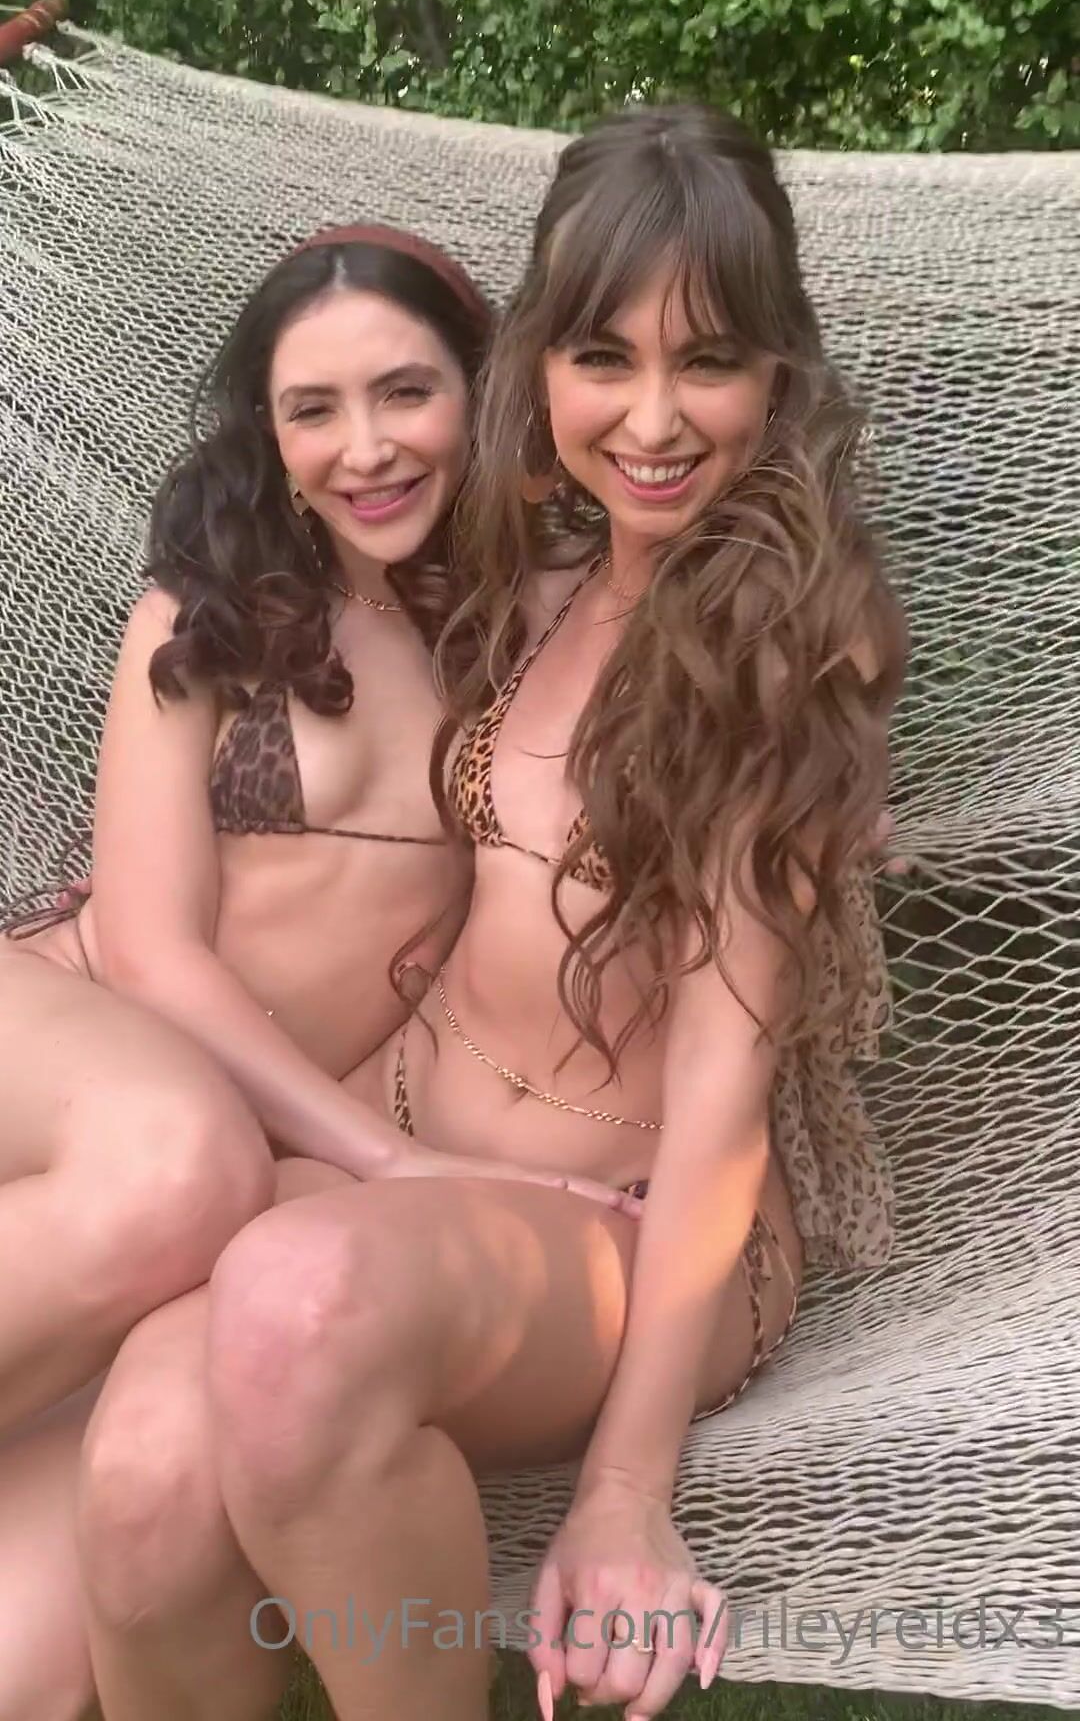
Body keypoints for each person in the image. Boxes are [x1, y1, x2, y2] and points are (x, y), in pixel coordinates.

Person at [75, 107, 907, 1721]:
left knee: (291, 1312)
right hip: (399, 1143)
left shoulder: (783, 642)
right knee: (147, 1479)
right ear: (537, 366)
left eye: (707, 363)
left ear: (776, 377)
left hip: (623, 1224)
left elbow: (723, 1084)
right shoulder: (536, 588)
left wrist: (625, 1492)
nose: (651, 419)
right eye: (603, 358)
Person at [0, 222, 639, 1721]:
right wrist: (390, 1161)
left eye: (405, 392)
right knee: (176, 1164)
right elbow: (149, 947)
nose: (366, 449)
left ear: (482, 394)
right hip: (73, 1033)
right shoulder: (211, 609)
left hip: (229, 1179)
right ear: (271, 435)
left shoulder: (546, 619)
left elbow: (737, 669)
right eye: (314, 411)